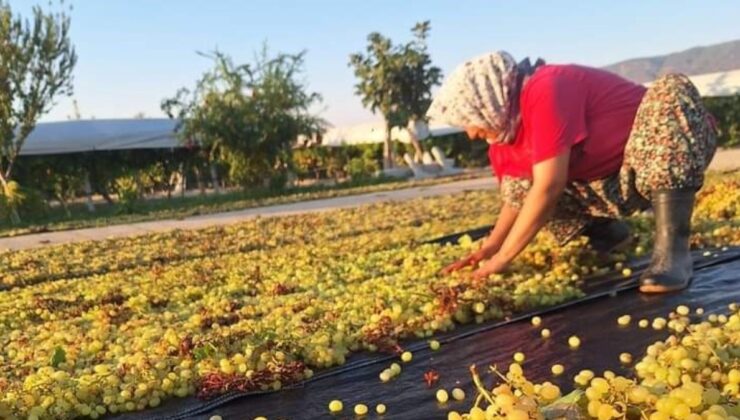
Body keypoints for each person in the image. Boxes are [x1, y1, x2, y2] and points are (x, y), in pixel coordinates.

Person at [427, 51, 717, 293]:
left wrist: (504, 258)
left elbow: (549, 186)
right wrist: (490, 246)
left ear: (485, 102)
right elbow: (516, 198)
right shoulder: (504, 134)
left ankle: (673, 254)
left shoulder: (547, 87)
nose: (470, 133)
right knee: (522, 186)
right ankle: (612, 235)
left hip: (675, 148)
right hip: (618, 181)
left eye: (468, 120)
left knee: (669, 90)